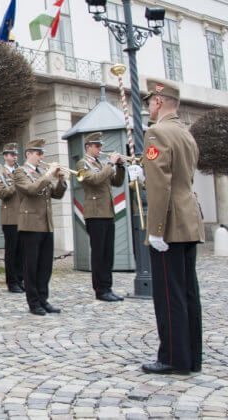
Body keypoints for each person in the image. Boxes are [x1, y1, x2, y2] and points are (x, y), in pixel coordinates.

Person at [134, 78, 204, 375]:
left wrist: (156, 229)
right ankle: (191, 356)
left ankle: (173, 358)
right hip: (189, 219)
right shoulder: (185, 133)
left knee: (168, 294)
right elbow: (180, 178)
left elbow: (162, 186)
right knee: (188, 291)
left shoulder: (156, 132)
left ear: (159, 101)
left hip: (170, 224)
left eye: (150, 102)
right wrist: (145, 173)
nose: (148, 107)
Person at [13, 138, 67, 316]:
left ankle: (44, 299)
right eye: (38, 153)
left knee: (45, 266)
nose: (41, 156)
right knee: (32, 266)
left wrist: (60, 180)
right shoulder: (20, 172)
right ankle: (34, 302)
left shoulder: (42, 172)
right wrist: (49, 174)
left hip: (46, 223)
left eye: (42, 153)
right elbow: (31, 190)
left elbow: (56, 195)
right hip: (30, 225)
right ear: (28, 154)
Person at [75, 132, 125, 302]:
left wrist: (120, 166)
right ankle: (100, 290)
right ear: (88, 147)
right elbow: (95, 180)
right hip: (95, 214)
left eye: (100, 146)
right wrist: (110, 163)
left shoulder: (102, 164)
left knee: (108, 253)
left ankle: (108, 287)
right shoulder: (82, 163)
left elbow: (117, 182)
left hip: (107, 212)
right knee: (99, 254)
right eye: (97, 146)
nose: (100, 149)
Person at [0, 143, 24, 293]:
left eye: (16, 155)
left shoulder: (20, 171)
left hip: (23, 216)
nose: (15, 157)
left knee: (22, 251)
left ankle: (20, 279)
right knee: (12, 251)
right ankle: (12, 282)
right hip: (10, 217)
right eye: (12, 154)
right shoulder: (0, 172)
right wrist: (16, 184)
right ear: (5, 156)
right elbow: (2, 193)